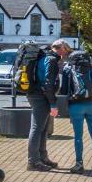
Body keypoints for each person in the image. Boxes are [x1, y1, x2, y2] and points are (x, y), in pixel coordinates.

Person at [25, 40, 68, 171]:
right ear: (61, 48)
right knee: (37, 128)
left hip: (35, 94)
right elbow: (48, 84)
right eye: (66, 49)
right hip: (40, 96)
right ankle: (33, 162)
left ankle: (42, 157)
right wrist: (53, 104)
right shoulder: (51, 60)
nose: (66, 52)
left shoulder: (44, 57)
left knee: (43, 129)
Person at [60, 49, 92, 173]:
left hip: (76, 105)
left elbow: (64, 90)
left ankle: (79, 164)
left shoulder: (68, 70)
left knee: (78, 136)